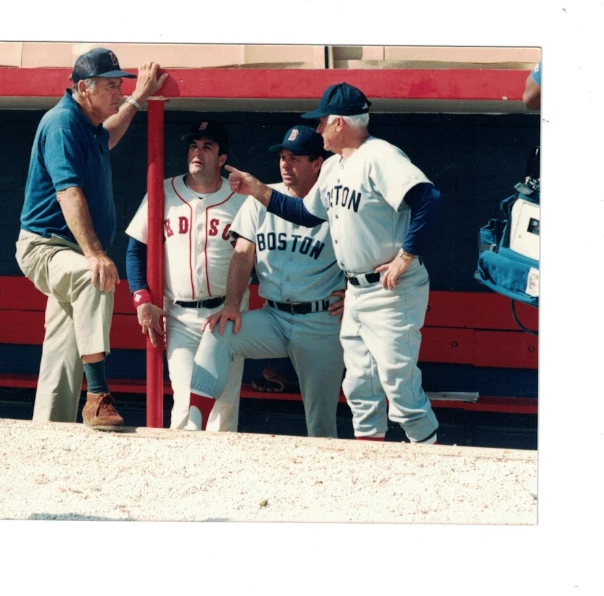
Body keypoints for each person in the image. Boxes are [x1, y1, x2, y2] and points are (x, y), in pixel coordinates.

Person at [225, 83, 441, 445]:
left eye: (323, 121)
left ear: (339, 123)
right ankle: (369, 464)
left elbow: (428, 198)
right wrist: (258, 189)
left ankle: (433, 460)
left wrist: (406, 256)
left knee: (399, 387)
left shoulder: (379, 155)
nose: (319, 128)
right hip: (358, 292)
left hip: (390, 289)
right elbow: (304, 215)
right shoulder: (336, 167)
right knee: (360, 387)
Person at [15, 47, 167, 430]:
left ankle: (48, 434)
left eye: (120, 85)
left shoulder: (89, 124)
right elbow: (68, 193)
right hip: (45, 247)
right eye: (111, 86)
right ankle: (98, 394)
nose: (118, 92)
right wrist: (95, 253)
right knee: (93, 275)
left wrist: (136, 99)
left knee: (62, 356)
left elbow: (110, 134)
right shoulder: (63, 124)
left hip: (66, 249)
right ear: (84, 87)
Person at [184, 126, 347, 438]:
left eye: (295, 158)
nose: (285, 164)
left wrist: (354, 291)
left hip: (320, 320)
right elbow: (243, 254)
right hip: (274, 317)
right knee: (219, 332)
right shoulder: (260, 199)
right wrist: (231, 304)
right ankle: (193, 428)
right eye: (282, 157)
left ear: (317, 164)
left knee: (321, 421)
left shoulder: (334, 204)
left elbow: (363, 252)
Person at [124, 121, 248, 431]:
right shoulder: (164, 191)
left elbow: (263, 255)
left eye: (208, 147)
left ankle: (222, 475)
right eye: (193, 145)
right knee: (185, 401)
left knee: (223, 405)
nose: (198, 152)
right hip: (179, 315)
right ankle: (181, 472)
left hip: (226, 314)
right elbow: (136, 250)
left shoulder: (240, 199)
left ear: (222, 159)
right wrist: (141, 298)